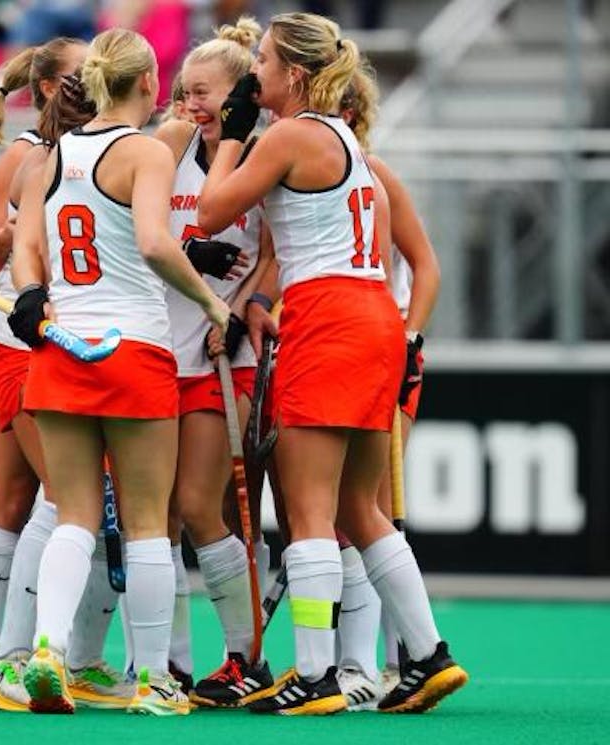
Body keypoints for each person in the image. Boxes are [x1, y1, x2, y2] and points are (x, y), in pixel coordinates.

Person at [198, 12, 466, 714]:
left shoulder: (289, 134)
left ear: (296, 73)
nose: (254, 71)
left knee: (310, 512)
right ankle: (429, 655)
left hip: (329, 319)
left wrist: (231, 136)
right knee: (360, 507)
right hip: (374, 317)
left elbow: (209, 211)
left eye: (262, 60)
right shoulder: (346, 138)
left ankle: (317, 674)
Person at [8, 27, 229, 716]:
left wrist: (30, 294)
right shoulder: (144, 151)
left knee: (72, 515)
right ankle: (156, 677)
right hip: (133, 347)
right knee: (144, 523)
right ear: (148, 84)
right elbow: (157, 243)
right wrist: (210, 299)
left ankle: (47, 648)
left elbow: (25, 245)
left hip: (62, 348)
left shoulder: (53, 153)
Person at [0, 38, 93, 711]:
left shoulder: (95, 150)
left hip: (58, 340)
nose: (91, 83)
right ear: (44, 90)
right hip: (17, 339)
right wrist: (12, 225)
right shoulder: (24, 154)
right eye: (77, 75)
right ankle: (2, 654)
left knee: (15, 497)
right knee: (66, 499)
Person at [152, 16, 278, 708]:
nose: (190, 102)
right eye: (183, 89)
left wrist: (246, 304)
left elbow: (277, 251)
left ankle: (244, 656)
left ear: (238, 98)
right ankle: (172, 663)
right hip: (152, 353)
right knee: (158, 514)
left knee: (203, 506)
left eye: (204, 92)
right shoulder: (166, 149)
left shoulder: (259, 157)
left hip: (216, 360)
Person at [333, 69, 442, 708]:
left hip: (382, 354)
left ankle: (360, 665)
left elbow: (425, 268)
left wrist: (410, 337)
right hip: (337, 352)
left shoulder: (374, 175)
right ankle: (357, 664)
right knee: (338, 514)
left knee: (362, 509)